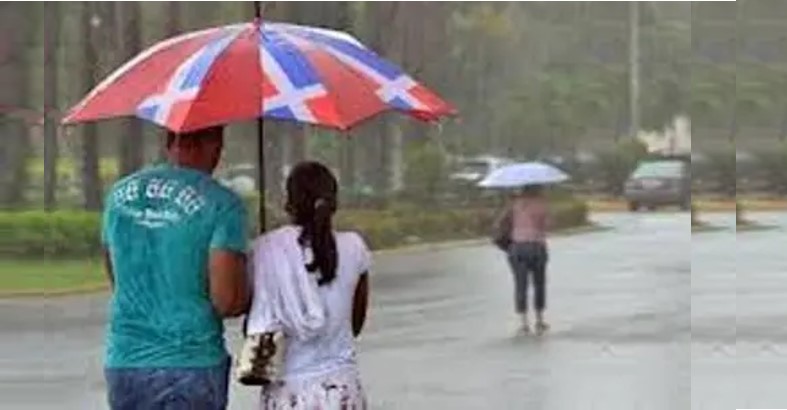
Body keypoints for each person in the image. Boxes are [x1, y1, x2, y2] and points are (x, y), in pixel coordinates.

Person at [101, 126, 250, 410]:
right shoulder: (222, 204)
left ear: (171, 144)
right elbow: (226, 300)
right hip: (191, 363)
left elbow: (116, 275)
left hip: (125, 361)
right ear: (212, 145)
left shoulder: (118, 196)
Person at [246, 161, 371, 409]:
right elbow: (354, 324)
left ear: (289, 203)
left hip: (286, 394)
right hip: (342, 392)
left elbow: (254, 324)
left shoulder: (266, 249)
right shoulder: (354, 247)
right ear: (333, 202)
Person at [497, 184, 551, 334]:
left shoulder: (513, 205)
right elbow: (548, 225)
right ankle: (540, 320)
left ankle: (523, 322)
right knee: (539, 284)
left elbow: (500, 223)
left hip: (518, 248)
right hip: (537, 247)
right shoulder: (542, 204)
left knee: (520, 284)